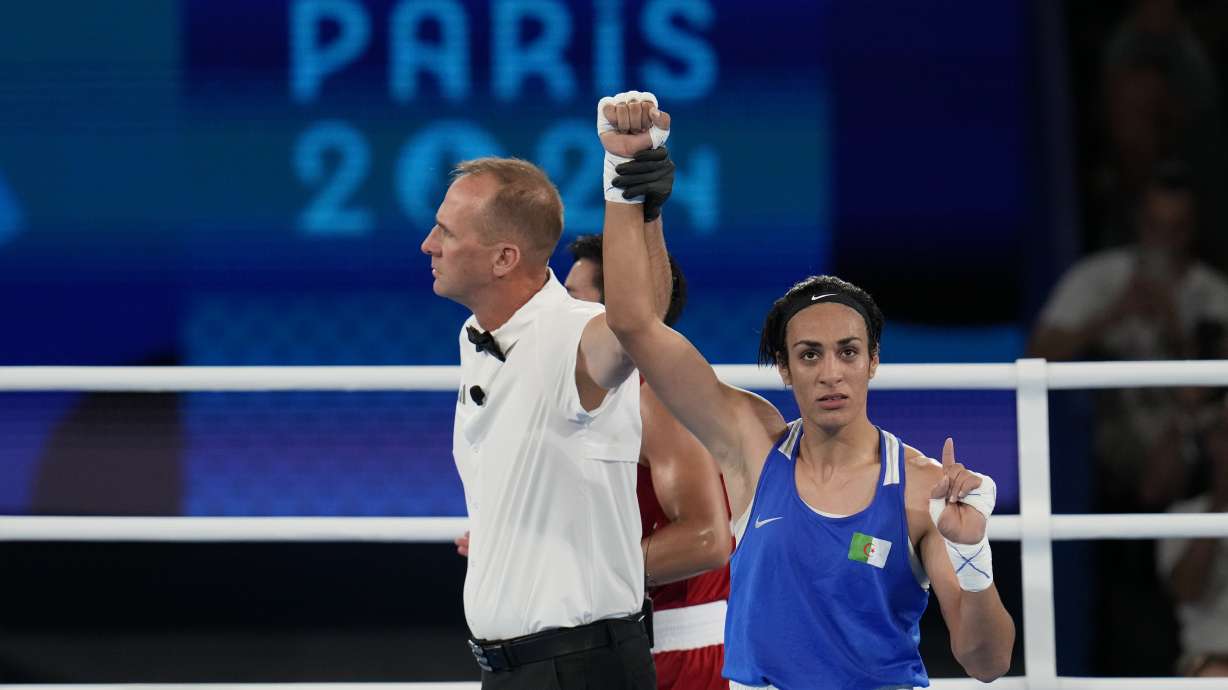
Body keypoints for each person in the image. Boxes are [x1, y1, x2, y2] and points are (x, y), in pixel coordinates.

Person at [599, 150, 1016, 686]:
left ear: (873, 361)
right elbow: (635, 326)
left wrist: (971, 555)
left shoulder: (921, 489)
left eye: (848, 352)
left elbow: (988, 663)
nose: (831, 374)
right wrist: (630, 195)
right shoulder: (751, 446)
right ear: (785, 369)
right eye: (810, 355)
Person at [421, 91, 674, 689]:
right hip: (518, 672)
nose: (428, 245)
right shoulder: (477, 332)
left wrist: (626, 184)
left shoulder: (571, 336)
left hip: (579, 670)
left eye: (445, 231)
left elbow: (642, 324)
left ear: (504, 258)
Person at [565, 233, 734, 690]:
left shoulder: (656, 397)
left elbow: (707, 541)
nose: (555, 316)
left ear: (616, 309)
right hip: (617, 642)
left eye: (570, 299)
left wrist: (561, 572)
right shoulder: (593, 399)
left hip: (680, 655)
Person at [1158, 407, 1228, 678]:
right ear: (1212, 442)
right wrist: (1220, 503)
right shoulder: (1182, 516)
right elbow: (1187, 590)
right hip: (1207, 660)